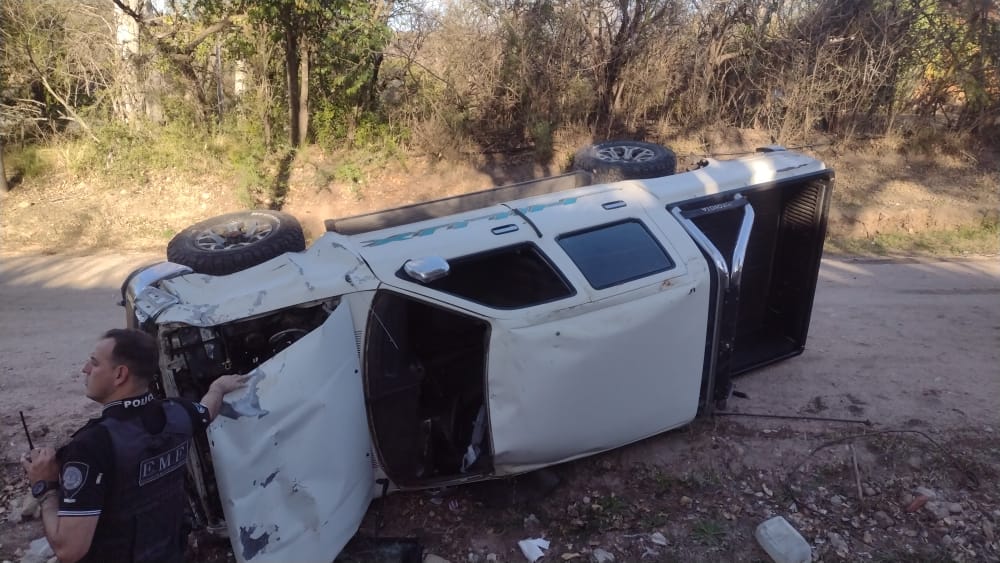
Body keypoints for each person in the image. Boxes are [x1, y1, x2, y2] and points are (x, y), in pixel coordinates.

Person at [20, 328, 249, 563]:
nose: (85, 369)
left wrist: (45, 487)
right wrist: (218, 388)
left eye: (94, 363)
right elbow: (206, 410)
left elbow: (70, 550)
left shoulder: (92, 447)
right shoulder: (180, 414)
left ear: (120, 375)